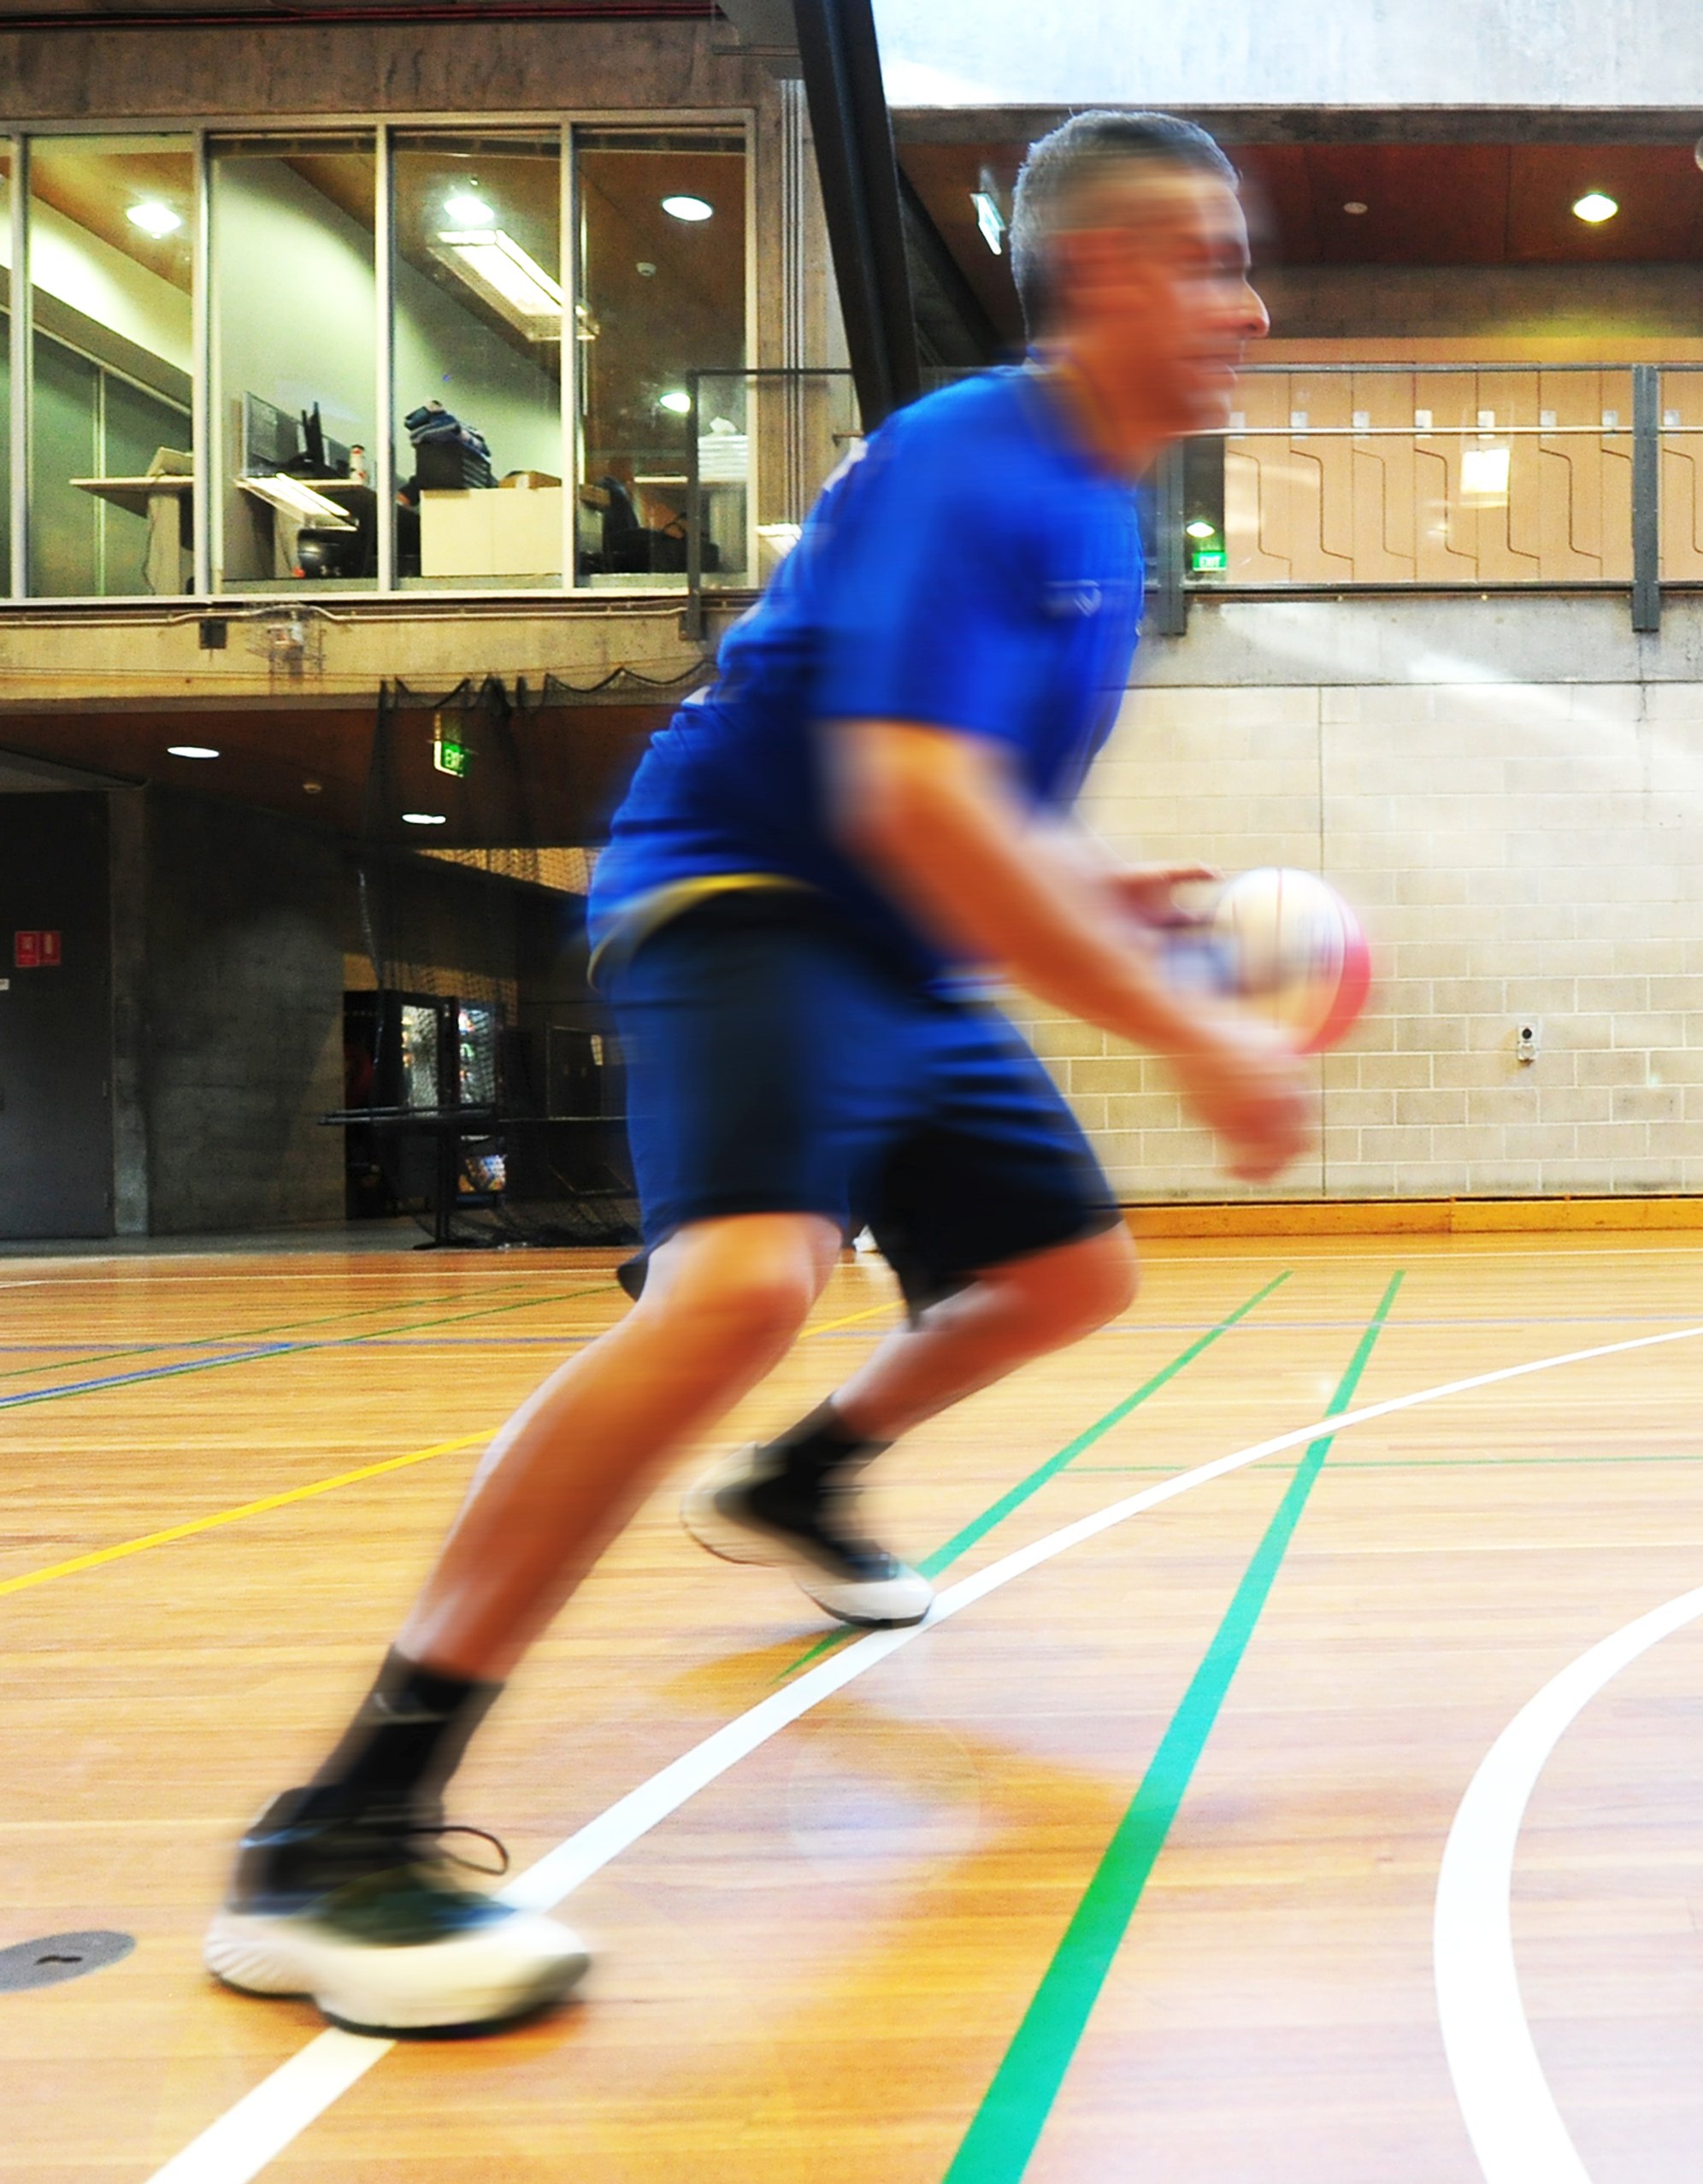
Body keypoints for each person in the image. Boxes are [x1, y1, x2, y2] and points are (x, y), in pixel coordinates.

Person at [203, 110, 1311, 2038]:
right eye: (1214, 260)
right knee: (740, 1285)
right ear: (1110, 276)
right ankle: (339, 1831)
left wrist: (1107, 887)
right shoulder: (977, 456)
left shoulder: (1103, 527)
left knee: (1069, 1275)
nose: (1252, 304)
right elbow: (908, 798)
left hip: (895, 945)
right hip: (744, 896)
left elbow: (983, 810)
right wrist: (1195, 1025)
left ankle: (806, 1475)